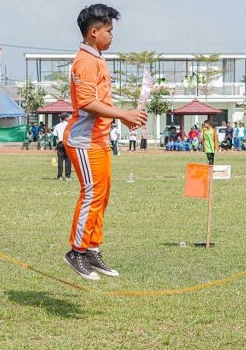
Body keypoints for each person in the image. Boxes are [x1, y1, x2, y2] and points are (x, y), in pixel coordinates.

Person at [62, 3, 147, 280]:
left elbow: (99, 101)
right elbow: (87, 103)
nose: (112, 36)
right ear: (93, 32)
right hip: (83, 140)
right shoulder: (85, 61)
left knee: (102, 194)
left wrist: (120, 117)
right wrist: (124, 114)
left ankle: (91, 248)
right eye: (109, 31)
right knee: (90, 193)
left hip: (99, 140)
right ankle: (76, 252)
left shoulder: (97, 58)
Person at [53, 112, 72, 180]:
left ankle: (59, 176)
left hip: (60, 143)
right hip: (67, 143)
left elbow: (55, 136)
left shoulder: (57, 126)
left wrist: (56, 144)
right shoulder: (69, 125)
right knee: (68, 159)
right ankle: (67, 176)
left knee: (60, 160)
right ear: (66, 118)